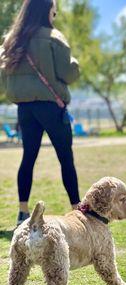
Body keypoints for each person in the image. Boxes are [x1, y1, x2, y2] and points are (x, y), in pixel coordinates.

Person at [0, 0, 80, 226]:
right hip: (51, 106)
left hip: (25, 108)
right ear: (48, 10)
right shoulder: (54, 37)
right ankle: (76, 208)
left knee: (28, 158)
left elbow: (3, 79)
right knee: (66, 158)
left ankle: (22, 212)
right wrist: (75, 63)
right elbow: (68, 74)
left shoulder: (12, 41)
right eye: (54, 7)